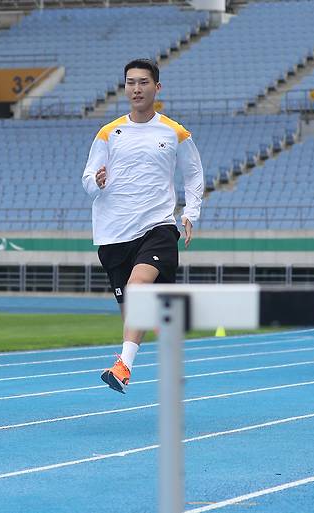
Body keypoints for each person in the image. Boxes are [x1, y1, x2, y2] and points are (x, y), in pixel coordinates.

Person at [82, 58, 204, 393]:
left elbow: (193, 174)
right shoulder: (109, 133)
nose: (137, 88)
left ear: (156, 87)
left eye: (143, 82)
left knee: (138, 290)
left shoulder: (174, 132)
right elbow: (87, 179)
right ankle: (137, 350)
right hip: (114, 234)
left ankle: (122, 367)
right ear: (125, 87)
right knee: (133, 313)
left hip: (158, 227)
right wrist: (98, 181)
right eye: (131, 82)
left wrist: (191, 211)